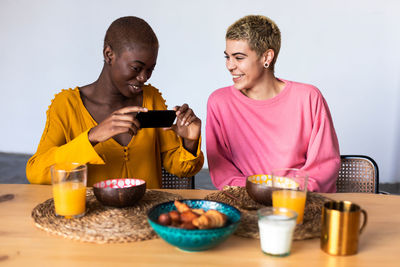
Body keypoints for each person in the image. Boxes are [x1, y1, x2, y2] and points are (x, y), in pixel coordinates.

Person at [26, 16, 204, 188]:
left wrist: (190, 141)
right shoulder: (66, 105)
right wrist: (93, 136)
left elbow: (180, 169)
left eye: (150, 69)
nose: (143, 77)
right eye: (136, 67)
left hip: (145, 216)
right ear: (109, 54)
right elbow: (36, 172)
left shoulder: (151, 99)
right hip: (91, 216)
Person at [206, 15, 340, 192]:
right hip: (246, 202)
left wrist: (284, 194)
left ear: (266, 57)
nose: (230, 65)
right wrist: (259, 192)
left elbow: (323, 166)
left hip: (300, 201)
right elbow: (223, 171)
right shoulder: (219, 102)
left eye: (238, 58)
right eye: (227, 57)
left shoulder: (308, 97)